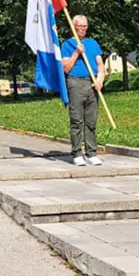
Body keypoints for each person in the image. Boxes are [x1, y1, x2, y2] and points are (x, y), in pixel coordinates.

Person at [61, 15, 105, 167]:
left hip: (91, 83)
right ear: (73, 27)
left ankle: (91, 153)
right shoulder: (67, 44)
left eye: (85, 26)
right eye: (80, 26)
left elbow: (100, 65)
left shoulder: (93, 43)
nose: (83, 29)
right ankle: (77, 153)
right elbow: (66, 68)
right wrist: (77, 53)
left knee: (91, 120)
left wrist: (100, 80)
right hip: (75, 82)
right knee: (77, 120)